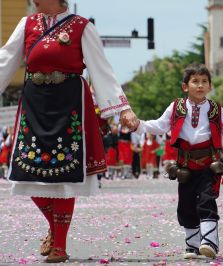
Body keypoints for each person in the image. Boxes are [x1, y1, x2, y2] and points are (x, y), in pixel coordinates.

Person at [0, 0, 138, 262]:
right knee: (25, 170)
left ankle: (59, 246)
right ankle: (55, 230)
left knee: (64, 175)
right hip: (34, 103)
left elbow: (101, 70)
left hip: (69, 104)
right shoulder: (27, 23)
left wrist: (123, 109)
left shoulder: (82, 27)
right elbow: (6, 59)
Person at [134, 63, 223, 259]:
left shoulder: (216, 108)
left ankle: (209, 243)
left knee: (207, 200)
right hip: (184, 165)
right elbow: (160, 125)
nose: (200, 85)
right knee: (186, 205)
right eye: (195, 81)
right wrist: (138, 125)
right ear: (185, 86)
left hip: (209, 164)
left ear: (210, 86)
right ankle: (192, 246)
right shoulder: (176, 107)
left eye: (204, 82)